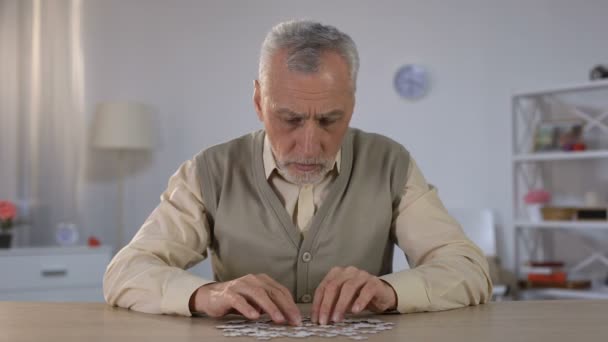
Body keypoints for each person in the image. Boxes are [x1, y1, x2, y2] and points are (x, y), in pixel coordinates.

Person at [103, 19, 492, 327]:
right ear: (259, 101)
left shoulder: (390, 163)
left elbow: (469, 270)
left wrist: (390, 292)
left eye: (329, 120)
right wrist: (207, 295)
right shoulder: (209, 171)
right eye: (289, 119)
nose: (308, 146)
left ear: (352, 105)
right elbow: (125, 271)